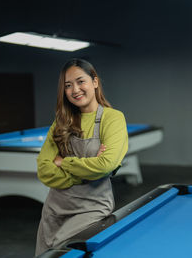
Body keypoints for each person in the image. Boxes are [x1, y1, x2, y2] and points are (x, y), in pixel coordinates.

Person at [35, 58, 128, 255]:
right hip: (54, 209)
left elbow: (105, 165)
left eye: (80, 81)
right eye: (68, 86)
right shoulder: (61, 122)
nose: (75, 89)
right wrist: (88, 170)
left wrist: (64, 162)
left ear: (94, 82)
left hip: (91, 209)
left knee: (62, 253)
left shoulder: (113, 118)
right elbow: (44, 169)